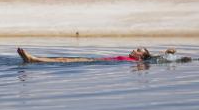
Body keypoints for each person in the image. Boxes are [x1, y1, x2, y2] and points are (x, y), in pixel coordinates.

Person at [17, 47, 191, 63]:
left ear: (141, 57)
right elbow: (152, 56)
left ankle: (33, 59)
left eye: (138, 50)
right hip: (97, 61)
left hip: (95, 62)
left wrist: (168, 52)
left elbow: (155, 58)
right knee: (63, 59)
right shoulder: (131, 60)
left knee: (64, 60)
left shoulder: (135, 62)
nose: (133, 50)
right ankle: (33, 59)